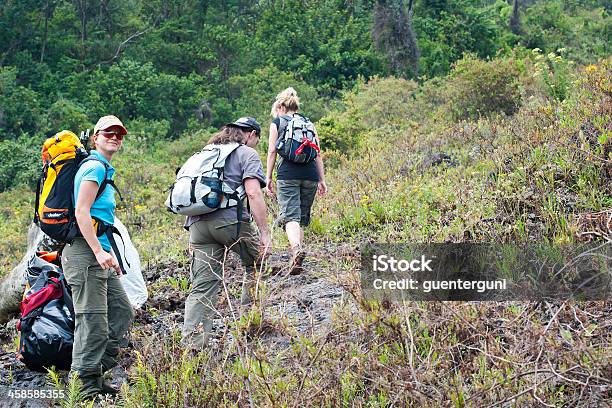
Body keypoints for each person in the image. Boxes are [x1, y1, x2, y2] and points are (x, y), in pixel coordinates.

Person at [61, 115, 134, 399]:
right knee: (92, 322)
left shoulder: (103, 168)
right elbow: (81, 212)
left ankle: (92, 374)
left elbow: (96, 218)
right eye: (108, 133)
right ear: (95, 138)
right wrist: (98, 251)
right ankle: (82, 390)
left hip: (97, 253)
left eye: (119, 134)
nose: (114, 137)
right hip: (84, 253)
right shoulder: (93, 168)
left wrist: (105, 252)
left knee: (121, 312)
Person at [182, 117, 271, 348]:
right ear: (251, 134)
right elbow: (253, 193)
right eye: (257, 140)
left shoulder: (205, 153)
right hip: (230, 222)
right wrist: (264, 232)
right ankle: (250, 327)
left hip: (198, 226)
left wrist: (190, 230)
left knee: (203, 286)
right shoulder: (246, 154)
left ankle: (194, 346)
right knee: (256, 266)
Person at [265, 87, 327, 274]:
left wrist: (267, 177)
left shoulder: (277, 123)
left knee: (290, 216)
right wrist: (322, 179)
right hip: (310, 175)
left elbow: (272, 151)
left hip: (288, 174)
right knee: (300, 217)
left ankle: (296, 250)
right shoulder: (308, 123)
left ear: (281, 107)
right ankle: (296, 260)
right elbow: (317, 153)